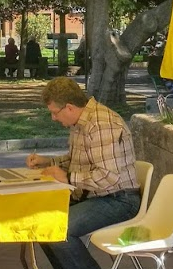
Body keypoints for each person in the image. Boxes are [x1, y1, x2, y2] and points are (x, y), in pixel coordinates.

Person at [26, 77, 140, 269]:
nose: (53, 118)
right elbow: (77, 161)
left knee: (59, 227)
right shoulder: (80, 123)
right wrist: (48, 161)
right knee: (42, 222)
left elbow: (108, 177)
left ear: (69, 107)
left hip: (119, 200)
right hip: (97, 196)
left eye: (54, 113)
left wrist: (68, 178)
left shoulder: (102, 124)